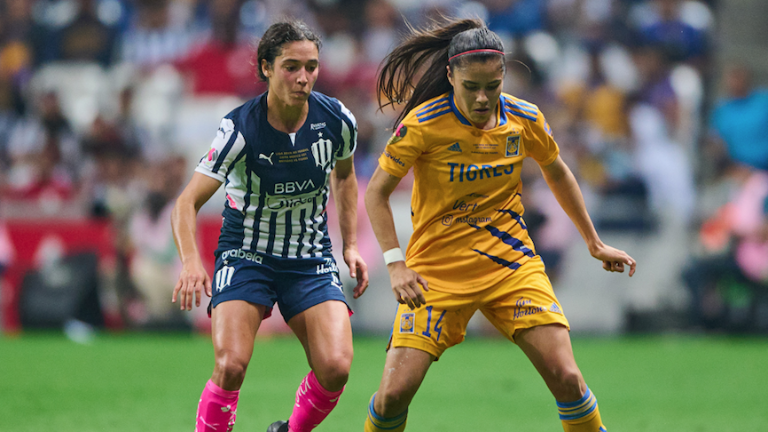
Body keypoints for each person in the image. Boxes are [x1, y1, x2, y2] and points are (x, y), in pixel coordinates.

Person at [363, 18, 636, 432]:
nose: (482, 98)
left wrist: (593, 242)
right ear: (451, 76)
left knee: (567, 377)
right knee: (392, 397)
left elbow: (557, 171)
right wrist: (396, 264)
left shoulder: (524, 117)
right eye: (471, 86)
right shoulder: (422, 124)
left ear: (504, 76)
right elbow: (376, 193)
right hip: (437, 272)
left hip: (510, 266)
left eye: (492, 86)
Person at [170, 21, 369, 432]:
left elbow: (345, 176)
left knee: (335, 367)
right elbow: (186, 202)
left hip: (309, 257)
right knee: (230, 365)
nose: (303, 77)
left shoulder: (337, 120)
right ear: (266, 67)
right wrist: (190, 261)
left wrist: (349, 244)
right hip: (247, 255)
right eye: (291, 67)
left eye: (311, 67)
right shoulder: (239, 128)